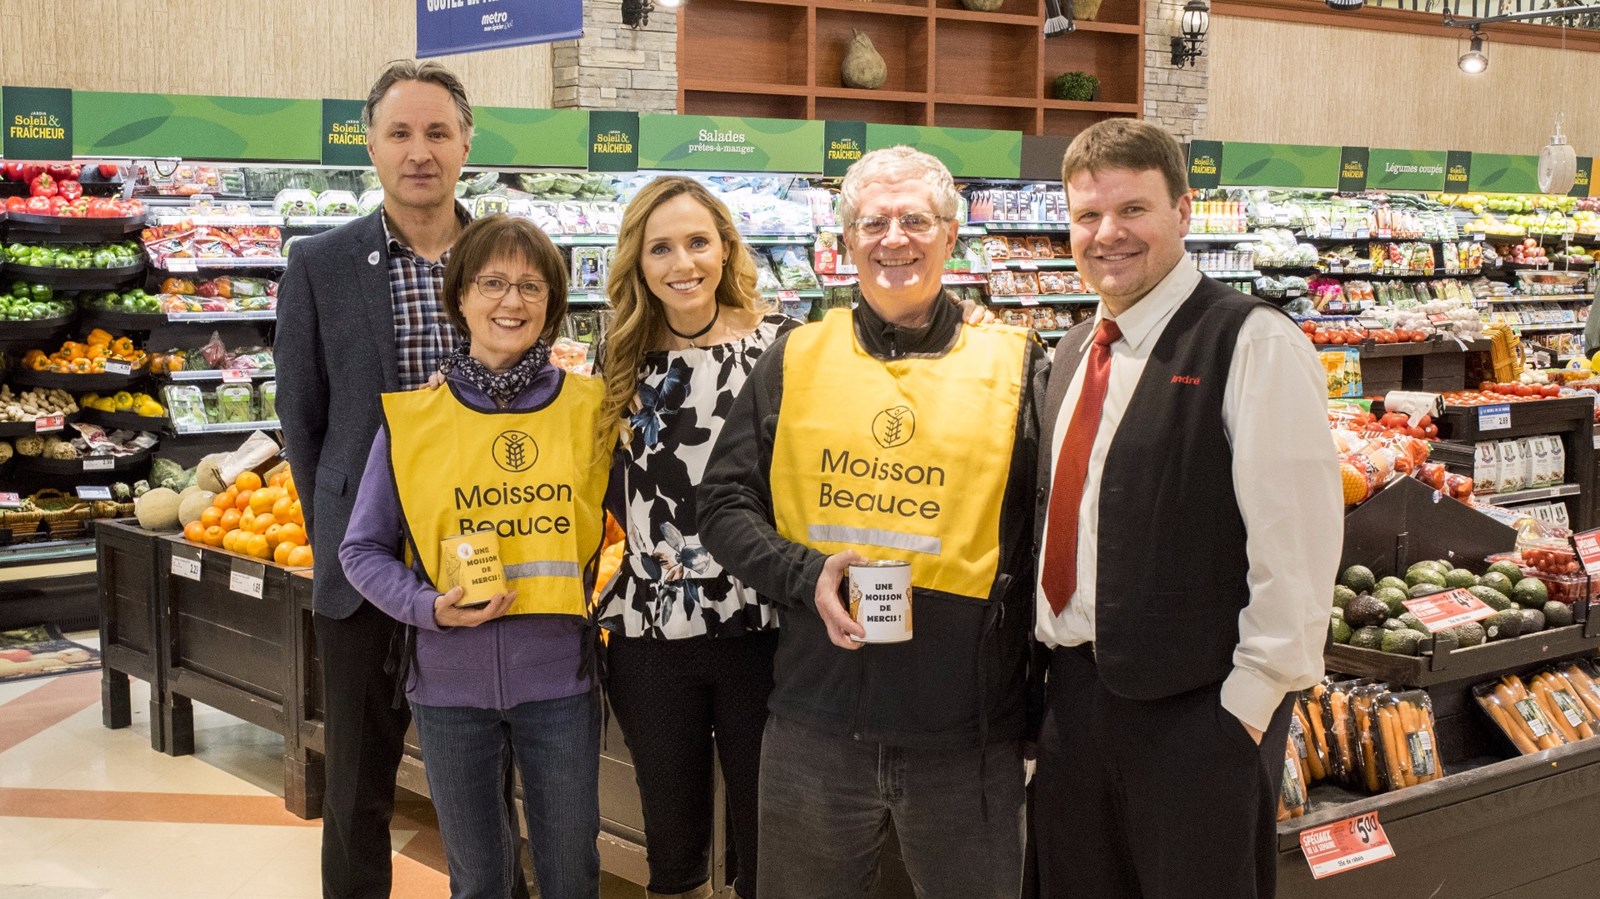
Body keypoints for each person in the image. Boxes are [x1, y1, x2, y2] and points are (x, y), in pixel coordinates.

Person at [697, 145, 1049, 899]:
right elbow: (722, 503)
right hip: (815, 724)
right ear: (847, 240)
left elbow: (1049, 533)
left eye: (915, 220)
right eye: (874, 222)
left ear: (950, 235)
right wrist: (804, 574)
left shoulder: (1016, 364)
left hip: (965, 738)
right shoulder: (795, 358)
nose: (895, 239)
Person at [1030, 119, 1342, 899]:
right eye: (1087, 215)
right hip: (1074, 705)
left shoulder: (1252, 342)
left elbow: (1297, 549)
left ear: (1184, 210)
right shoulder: (1072, 350)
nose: (1107, 233)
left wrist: (1245, 709)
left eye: (1132, 209)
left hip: (1198, 718)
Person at [277, 60, 529, 899]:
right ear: (371, 146)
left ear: (467, 144)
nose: (419, 151)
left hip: (487, 557)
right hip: (366, 570)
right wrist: (341, 543)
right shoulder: (320, 263)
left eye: (437, 132)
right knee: (356, 787)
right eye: (400, 133)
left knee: (487, 788)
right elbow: (302, 421)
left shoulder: (509, 257)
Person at [339, 213, 606, 899]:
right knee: (480, 879)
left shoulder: (591, 411)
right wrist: (426, 607)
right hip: (449, 687)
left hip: (561, 683)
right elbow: (361, 549)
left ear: (552, 304)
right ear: (460, 296)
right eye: (492, 282)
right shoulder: (416, 421)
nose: (511, 301)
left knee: (571, 874)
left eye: (531, 286)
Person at [593, 176, 799, 899]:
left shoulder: (784, 345)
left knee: (768, 842)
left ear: (726, 249)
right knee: (673, 850)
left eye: (698, 242)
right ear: (638, 261)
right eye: (661, 248)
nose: (682, 263)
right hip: (651, 630)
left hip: (761, 625)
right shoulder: (617, 353)